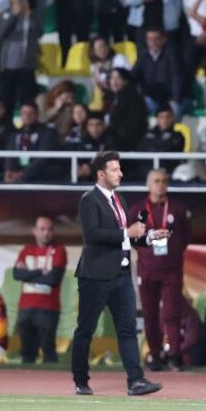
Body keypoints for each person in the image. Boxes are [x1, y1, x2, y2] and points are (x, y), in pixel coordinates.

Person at [71, 151, 162, 397]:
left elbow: (127, 236)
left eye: (119, 169)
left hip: (121, 273)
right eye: (114, 169)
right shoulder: (89, 200)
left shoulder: (119, 198)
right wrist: (127, 233)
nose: (120, 173)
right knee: (86, 329)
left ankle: (136, 380)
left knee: (128, 329)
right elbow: (93, 235)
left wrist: (150, 236)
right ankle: (80, 380)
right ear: (101, 174)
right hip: (95, 275)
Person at [128, 169, 191, 371]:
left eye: (164, 181)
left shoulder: (177, 208)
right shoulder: (141, 210)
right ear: (148, 185)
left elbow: (185, 236)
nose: (160, 185)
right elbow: (132, 237)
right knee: (150, 314)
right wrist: (149, 249)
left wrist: (172, 253)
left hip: (171, 270)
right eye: (156, 181)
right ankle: (154, 355)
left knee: (171, 313)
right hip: (147, 270)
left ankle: (174, 356)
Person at [13, 216, 67, 364]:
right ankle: (27, 384)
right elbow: (16, 274)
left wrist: (28, 275)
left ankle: (51, 385)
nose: (46, 233)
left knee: (48, 350)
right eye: (42, 229)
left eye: (50, 229)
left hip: (48, 308)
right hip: (25, 308)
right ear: (35, 231)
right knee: (27, 352)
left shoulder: (59, 250)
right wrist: (38, 272)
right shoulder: (26, 250)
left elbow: (53, 279)